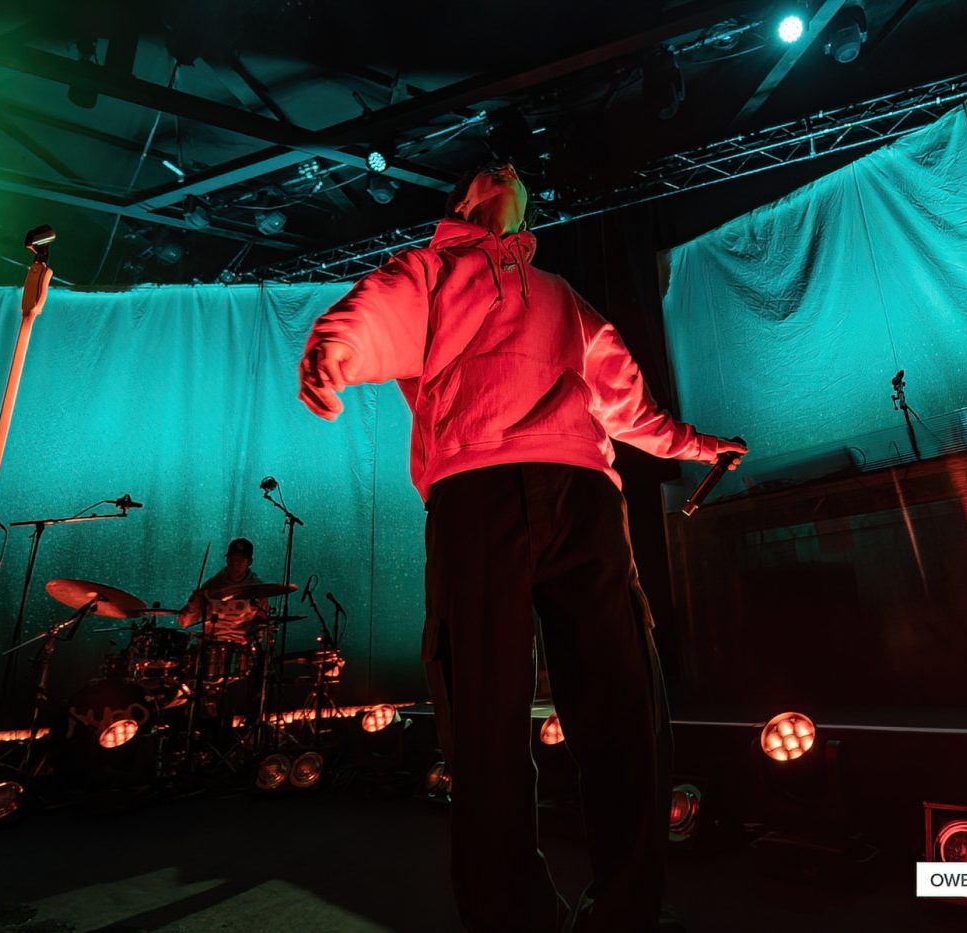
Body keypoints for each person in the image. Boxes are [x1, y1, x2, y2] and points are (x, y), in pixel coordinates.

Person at [298, 160, 747, 933]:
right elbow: (372, 313)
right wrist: (332, 350)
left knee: (623, 699)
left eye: (513, 169)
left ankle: (626, 906)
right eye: (487, 168)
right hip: (477, 492)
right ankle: (508, 914)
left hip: (581, 493)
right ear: (467, 199)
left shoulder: (561, 297)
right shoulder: (431, 270)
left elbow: (626, 398)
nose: (504, 168)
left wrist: (698, 445)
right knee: (484, 709)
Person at [178, 538, 270, 720]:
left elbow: (263, 624)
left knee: (261, 664)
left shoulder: (258, 589)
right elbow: (184, 622)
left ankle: (252, 723)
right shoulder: (212, 586)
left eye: (240, 560)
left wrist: (253, 637)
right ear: (227, 560)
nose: (235, 564)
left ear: (249, 561)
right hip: (211, 646)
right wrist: (193, 603)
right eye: (232, 559)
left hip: (241, 648)